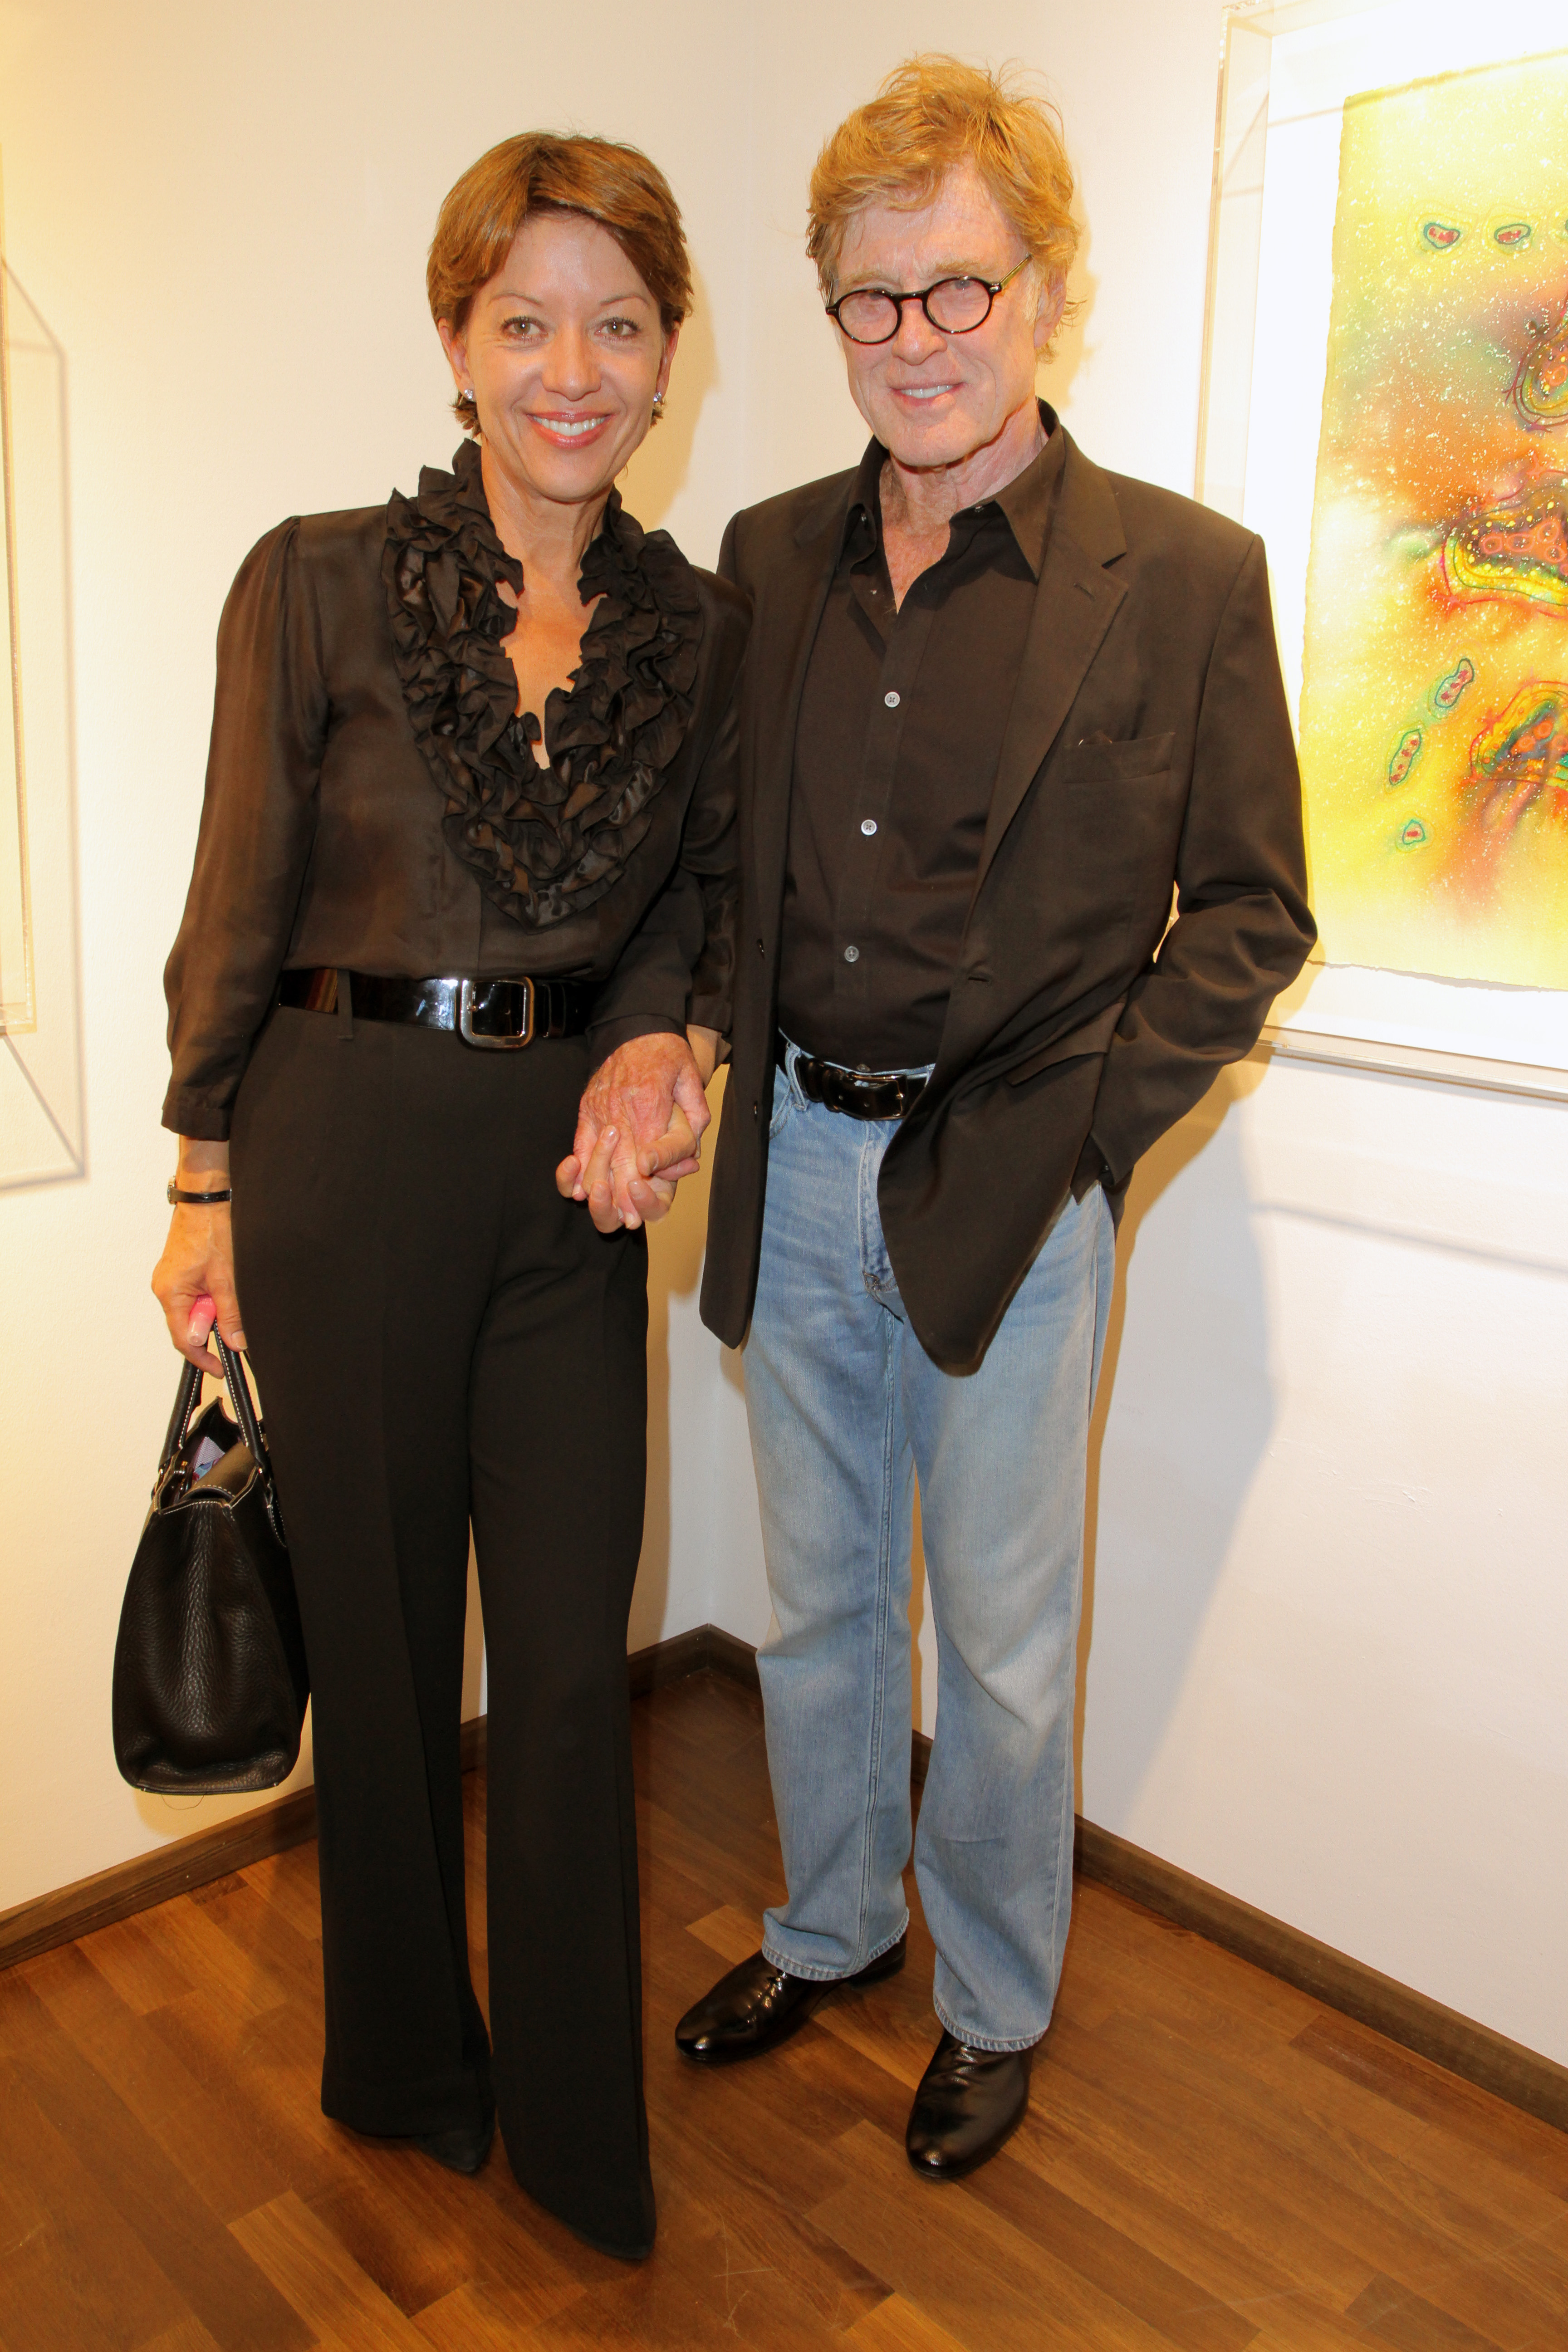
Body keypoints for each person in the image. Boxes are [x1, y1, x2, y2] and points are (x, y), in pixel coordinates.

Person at [666, 57, 1314, 2180]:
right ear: (831, 312)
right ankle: (838, 1925)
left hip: (1011, 1193)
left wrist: (1092, 1138)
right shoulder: (761, 559)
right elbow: (714, 872)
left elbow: (1250, 910)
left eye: (960, 290)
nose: (917, 341)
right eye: (873, 300)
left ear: (1047, 290)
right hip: (794, 1158)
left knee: (1011, 1650)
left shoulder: (1190, 577)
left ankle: (996, 1998)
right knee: (825, 1604)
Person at [152, 131, 746, 2261]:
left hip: (566, 1186)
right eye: (525, 320)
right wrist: (204, 1169)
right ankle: (406, 2067)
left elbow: (693, 901)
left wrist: (665, 1043)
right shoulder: (313, 575)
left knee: (569, 1664)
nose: (570, 365)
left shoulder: (699, 628)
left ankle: (583, 2131)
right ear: (457, 342)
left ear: (669, 351)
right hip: (340, 1146)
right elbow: (238, 891)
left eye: (616, 321)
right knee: (388, 1657)